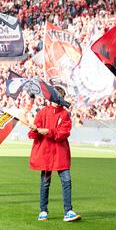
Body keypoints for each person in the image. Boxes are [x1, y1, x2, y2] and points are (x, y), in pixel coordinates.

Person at [28, 86, 81, 222]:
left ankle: (68, 211)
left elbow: (63, 134)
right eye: (56, 96)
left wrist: (48, 131)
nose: (57, 99)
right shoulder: (42, 112)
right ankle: (43, 211)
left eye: (60, 96)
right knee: (45, 183)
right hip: (45, 154)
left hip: (60, 154)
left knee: (67, 181)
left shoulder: (64, 114)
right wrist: (35, 129)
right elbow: (33, 135)